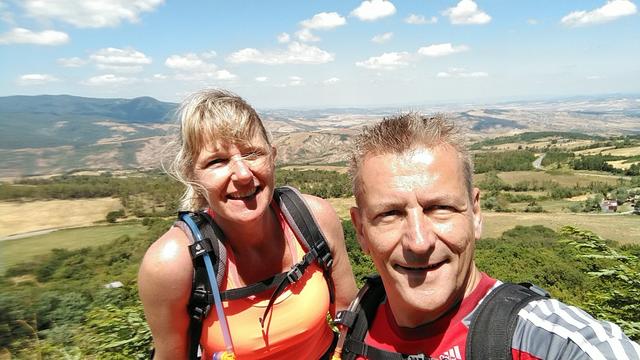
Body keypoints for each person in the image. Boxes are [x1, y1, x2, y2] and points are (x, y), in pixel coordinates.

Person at [342, 113, 640, 359]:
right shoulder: (355, 321)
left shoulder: (546, 342)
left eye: (440, 208)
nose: (419, 242)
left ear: (475, 214)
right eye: (390, 214)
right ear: (361, 231)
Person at [138, 89, 357, 359]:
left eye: (253, 153)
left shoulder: (314, 219)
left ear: (273, 156)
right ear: (191, 175)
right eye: (217, 161)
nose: (242, 174)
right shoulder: (172, 264)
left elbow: (348, 312)